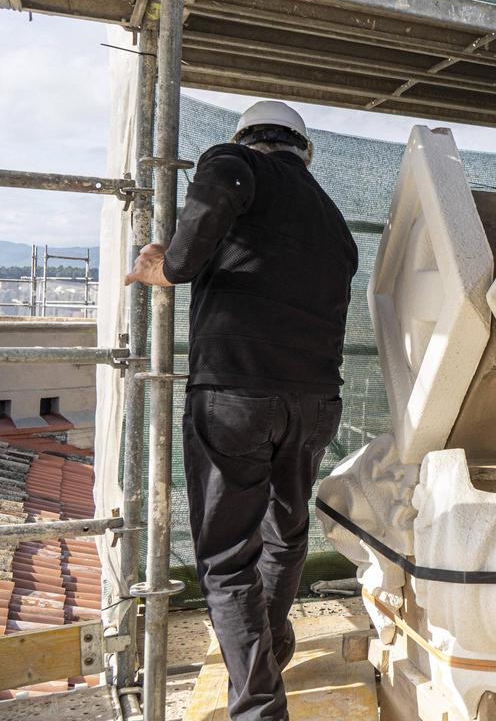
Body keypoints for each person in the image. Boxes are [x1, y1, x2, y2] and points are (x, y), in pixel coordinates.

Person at [126, 100, 358, 719]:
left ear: (251, 139)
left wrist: (166, 267)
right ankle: (272, 645)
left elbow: (217, 191)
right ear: (306, 153)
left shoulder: (237, 162)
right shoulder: (334, 223)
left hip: (235, 394)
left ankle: (258, 707)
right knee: (285, 533)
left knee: (227, 561)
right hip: (314, 401)